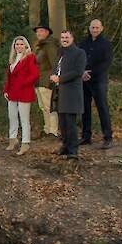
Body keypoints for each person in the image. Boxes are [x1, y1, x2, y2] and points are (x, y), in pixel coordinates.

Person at [51, 30, 87, 159]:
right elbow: (57, 68)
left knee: (70, 123)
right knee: (62, 123)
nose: (64, 39)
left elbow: (78, 71)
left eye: (67, 37)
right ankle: (65, 146)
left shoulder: (79, 53)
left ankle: (73, 150)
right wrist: (54, 76)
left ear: (72, 38)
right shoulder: (60, 52)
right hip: (60, 92)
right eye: (62, 37)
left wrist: (60, 79)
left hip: (72, 93)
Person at [79, 19, 114, 149]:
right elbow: (78, 59)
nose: (95, 30)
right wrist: (82, 72)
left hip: (99, 81)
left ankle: (108, 137)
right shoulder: (83, 43)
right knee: (85, 109)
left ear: (102, 28)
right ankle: (86, 136)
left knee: (102, 108)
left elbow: (106, 63)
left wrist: (91, 74)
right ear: (89, 28)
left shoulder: (106, 44)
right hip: (84, 81)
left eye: (97, 28)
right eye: (93, 28)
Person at [3, 36, 39, 155]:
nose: (19, 46)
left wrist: (23, 83)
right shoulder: (12, 58)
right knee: (12, 117)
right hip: (12, 92)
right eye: (17, 44)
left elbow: (35, 74)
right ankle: (13, 140)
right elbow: (9, 77)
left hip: (24, 92)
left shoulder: (30, 57)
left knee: (24, 119)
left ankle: (25, 143)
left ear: (26, 46)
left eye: (21, 44)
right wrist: (6, 90)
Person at [33, 24, 60, 138]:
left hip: (47, 81)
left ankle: (53, 131)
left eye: (41, 31)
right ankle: (47, 129)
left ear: (47, 32)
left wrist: (53, 79)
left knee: (50, 106)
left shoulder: (50, 45)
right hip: (39, 81)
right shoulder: (41, 46)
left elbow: (55, 63)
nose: (39, 33)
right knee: (43, 106)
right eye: (37, 31)